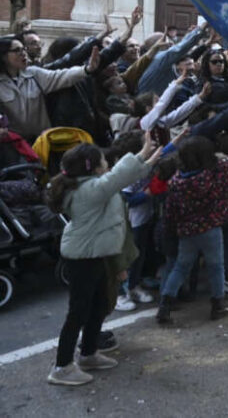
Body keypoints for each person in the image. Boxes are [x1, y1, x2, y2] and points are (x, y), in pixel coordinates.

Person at [45, 134, 164, 386]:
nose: (107, 162)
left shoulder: (90, 185)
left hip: (95, 254)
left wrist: (147, 160)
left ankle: (88, 354)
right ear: (92, 167)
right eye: (103, 160)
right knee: (77, 312)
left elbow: (119, 178)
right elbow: (117, 177)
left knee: (98, 305)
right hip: (81, 258)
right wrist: (142, 153)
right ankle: (62, 366)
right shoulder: (88, 190)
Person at [157, 117, 228, 324]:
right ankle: (218, 304)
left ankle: (165, 305)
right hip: (211, 228)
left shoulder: (176, 182)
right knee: (215, 266)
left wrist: (169, 231)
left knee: (181, 266)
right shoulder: (215, 174)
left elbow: (170, 211)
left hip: (186, 231)